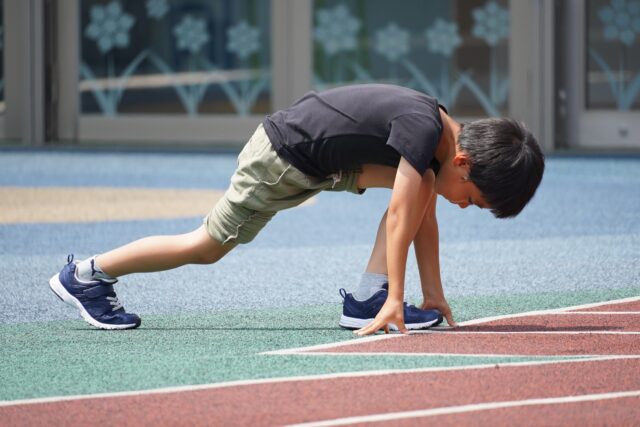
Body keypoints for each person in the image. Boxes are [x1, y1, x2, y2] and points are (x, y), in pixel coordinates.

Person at [49, 84, 544, 336]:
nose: (464, 207)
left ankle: (366, 299)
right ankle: (88, 274)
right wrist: (399, 296)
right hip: (280, 160)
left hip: (317, 161)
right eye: (474, 201)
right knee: (205, 247)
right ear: (465, 162)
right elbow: (400, 216)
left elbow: (421, 212)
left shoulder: (437, 145)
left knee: (419, 190)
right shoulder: (423, 131)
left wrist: (432, 294)